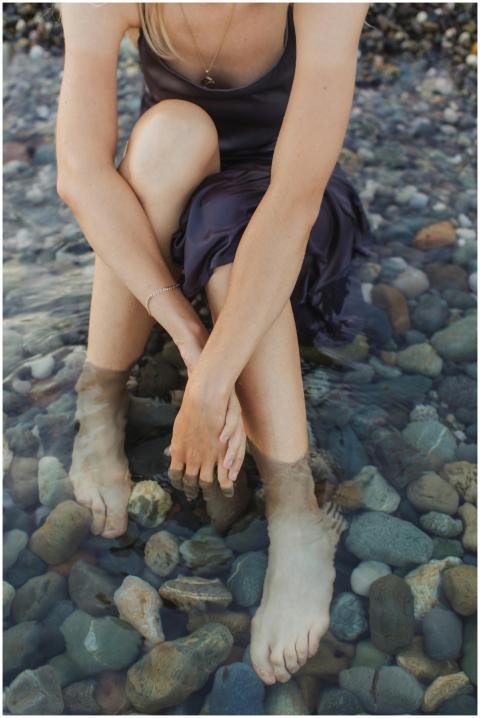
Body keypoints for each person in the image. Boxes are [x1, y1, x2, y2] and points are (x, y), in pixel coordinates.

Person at [56, 1, 372, 685]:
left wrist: (208, 383)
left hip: (290, 210)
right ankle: (101, 392)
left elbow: (294, 197)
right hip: (171, 196)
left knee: (231, 242)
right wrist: (193, 344)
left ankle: (296, 511)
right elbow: (80, 173)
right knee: (167, 133)